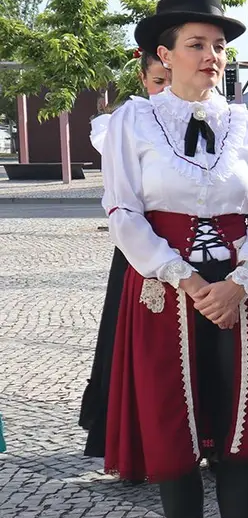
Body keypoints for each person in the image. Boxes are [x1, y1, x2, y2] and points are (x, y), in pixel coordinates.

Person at [101, 0, 248, 518]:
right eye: (197, 45)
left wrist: (240, 279)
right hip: (164, 292)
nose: (213, 57)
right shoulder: (132, 121)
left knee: (239, 437)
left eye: (219, 47)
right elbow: (124, 212)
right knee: (172, 432)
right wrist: (186, 279)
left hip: (240, 293)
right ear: (164, 53)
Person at [80, 49, 170, 463]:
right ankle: (135, 440)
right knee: (136, 344)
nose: (166, 90)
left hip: (199, 248)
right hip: (141, 245)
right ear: (143, 79)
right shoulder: (127, 123)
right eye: (157, 82)